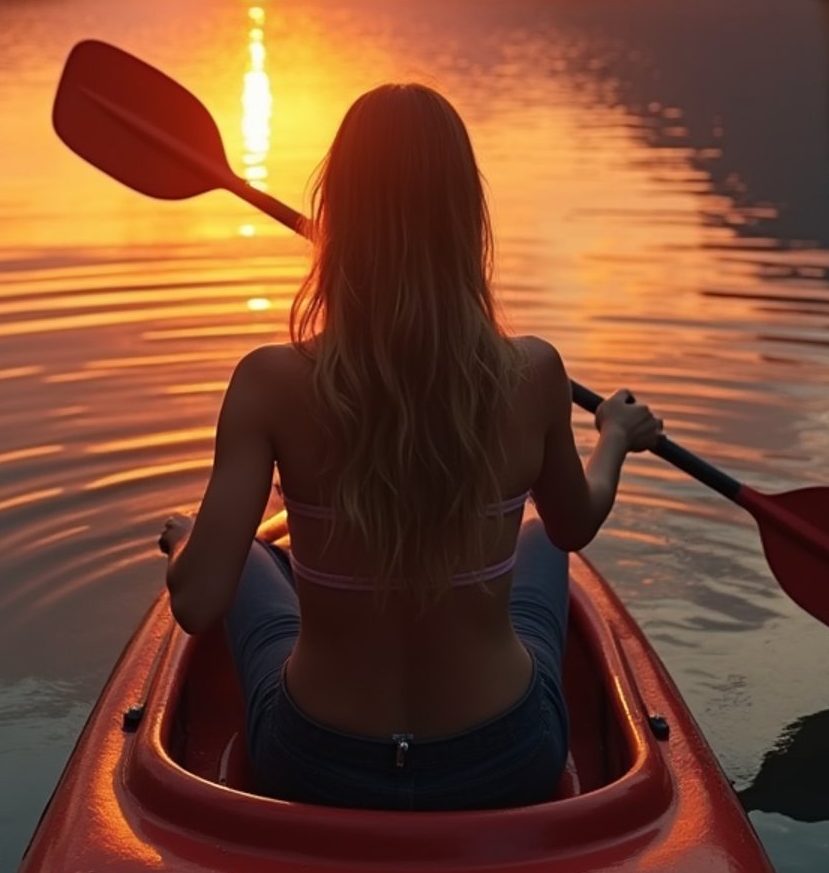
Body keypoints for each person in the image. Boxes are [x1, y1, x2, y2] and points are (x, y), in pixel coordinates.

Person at [159, 84, 662, 810]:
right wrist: (613, 436)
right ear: (466, 217)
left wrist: (186, 549)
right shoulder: (534, 372)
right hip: (504, 760)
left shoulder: (269, 382)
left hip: (316, 764)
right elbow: (574, 523)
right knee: (545, 545)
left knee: (256, 571)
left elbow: (200, 603)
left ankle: (192, 533)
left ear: (339, 212)